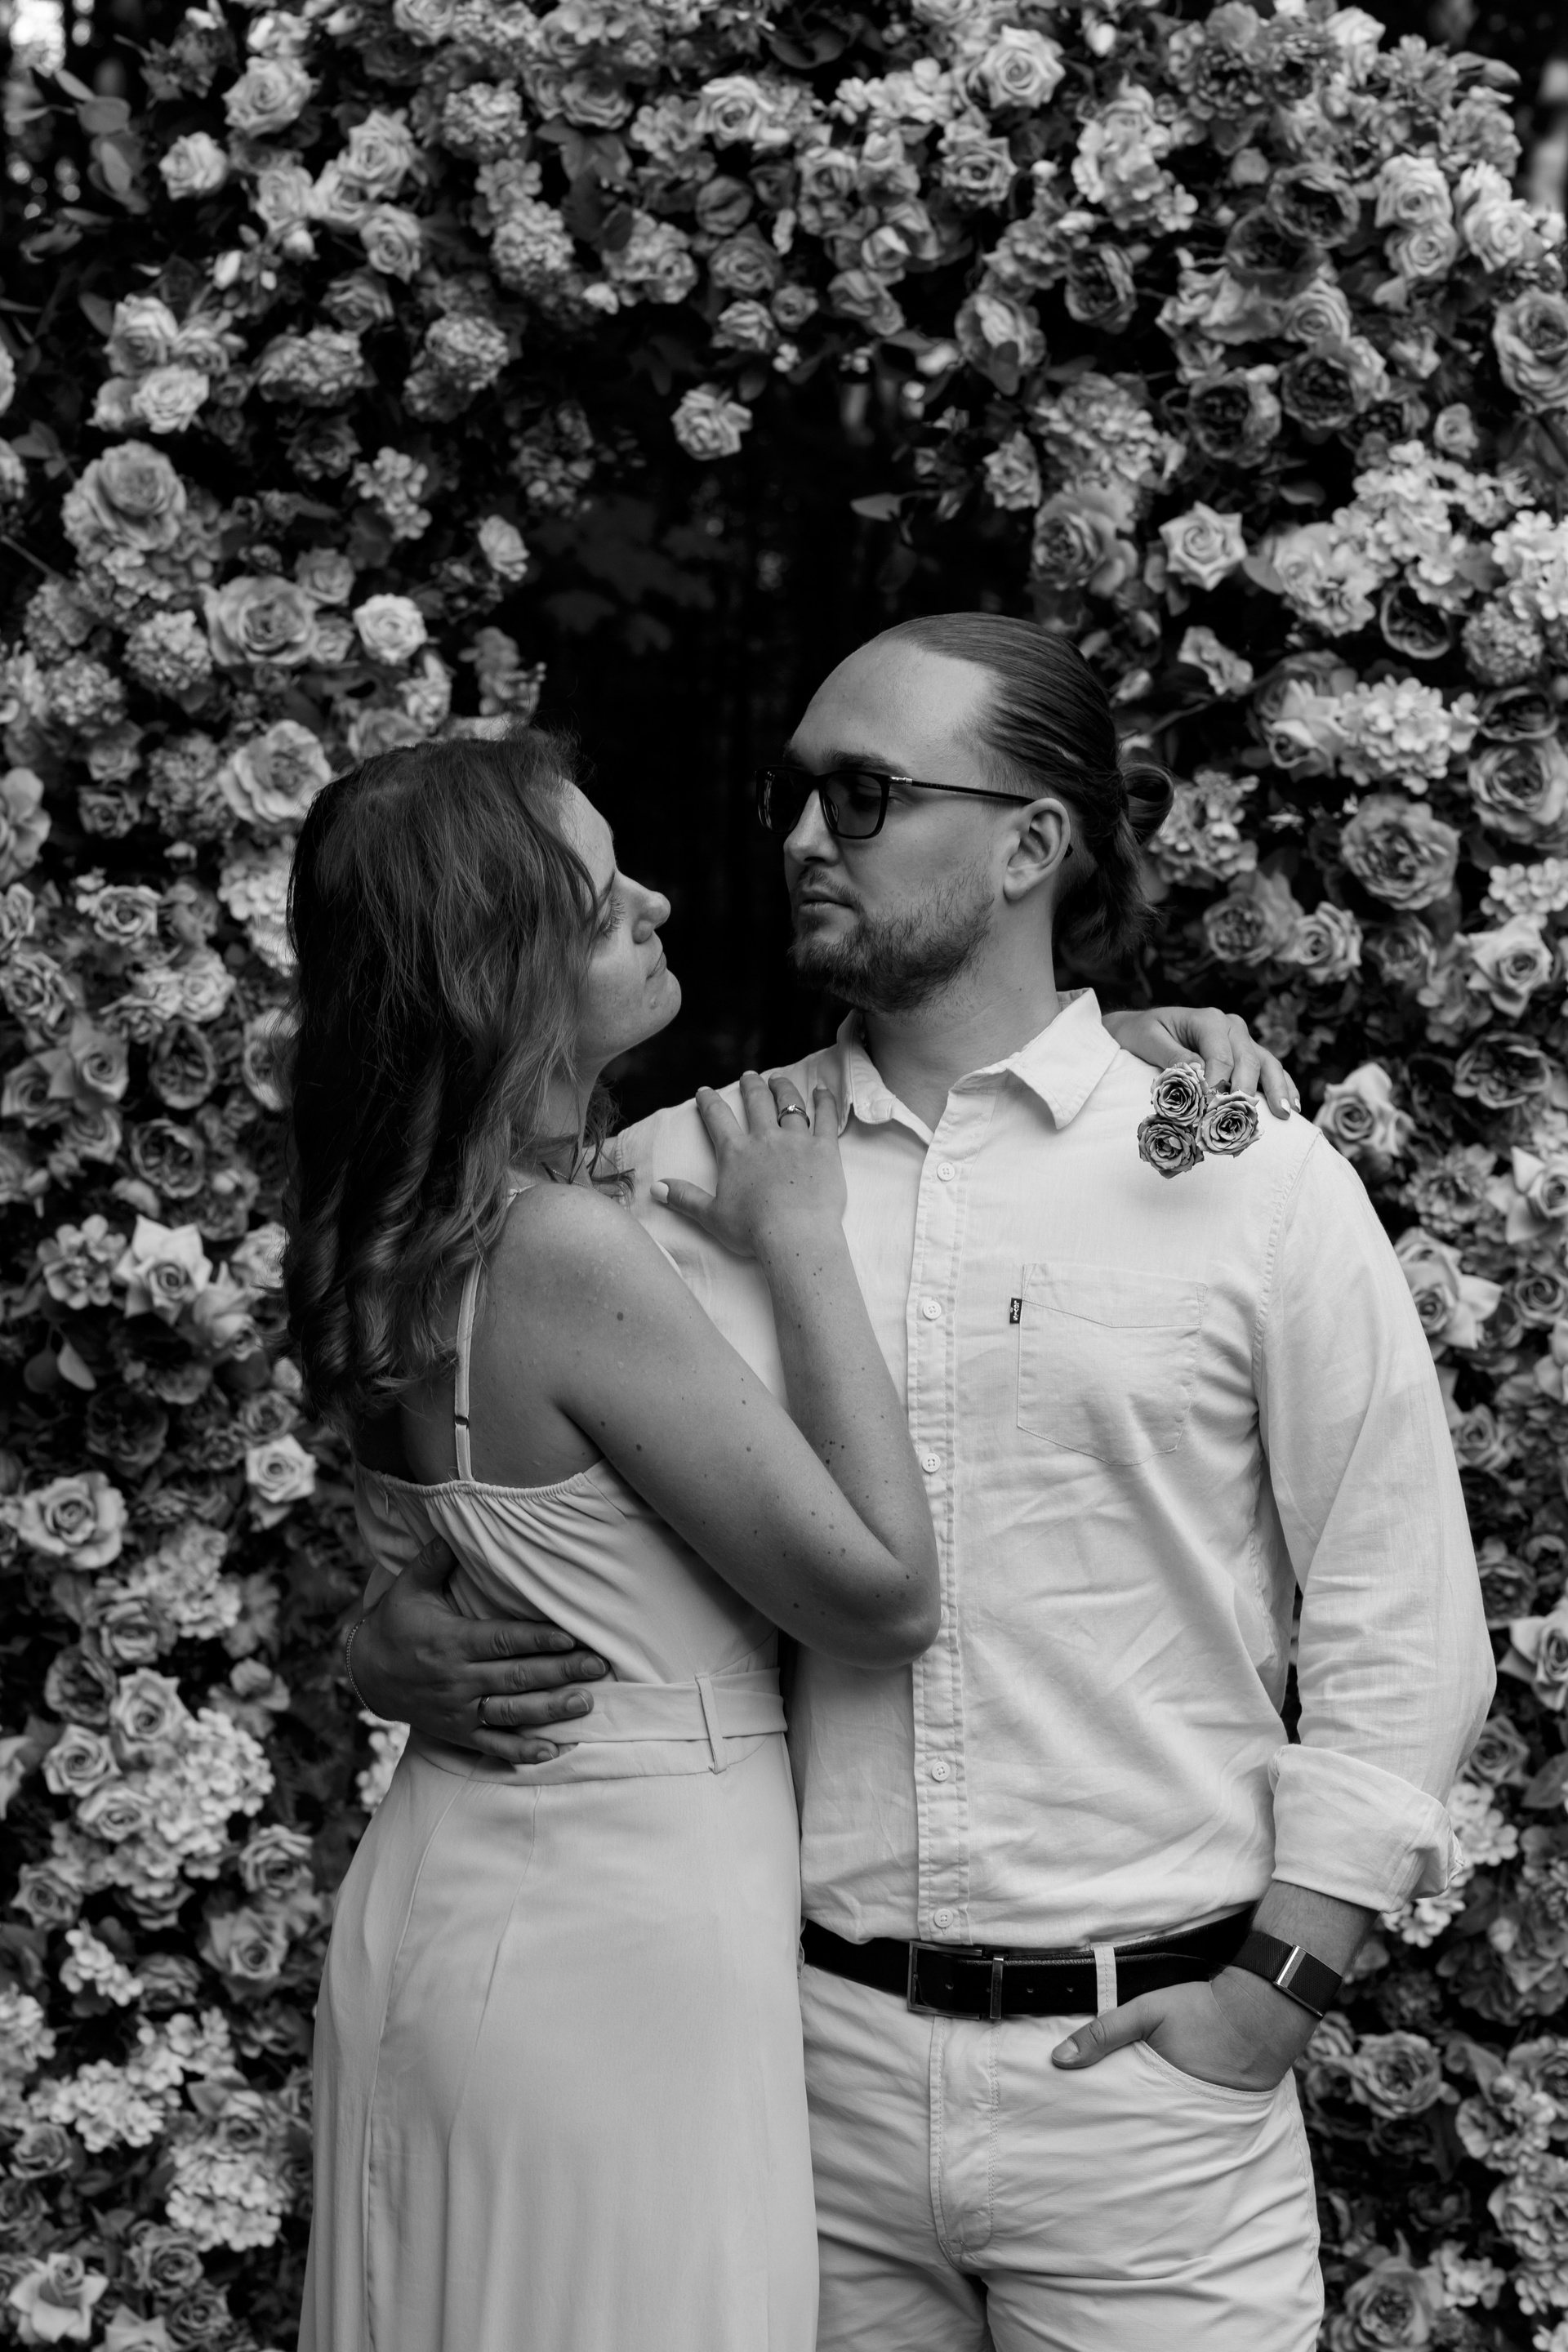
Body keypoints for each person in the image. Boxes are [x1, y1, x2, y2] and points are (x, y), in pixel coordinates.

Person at [349, 615, 1494, 2350]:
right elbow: (483, 1474)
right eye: (796, 794)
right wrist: (388, 1643)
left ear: (1033, 844)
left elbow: (1403, 1618)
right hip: (789, 2083)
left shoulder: (1244, 1173)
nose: (807, 838)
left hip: (1144, 2092)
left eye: (868, 794)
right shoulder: (672, 1184)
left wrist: (1273, 1992)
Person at [289, 729, 949, 2352]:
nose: (656, 901)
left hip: (467, 1885)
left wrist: (1125, 1040)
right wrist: (803, 1240)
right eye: (600, 904)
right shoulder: (564, 1250)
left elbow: (468, 1558)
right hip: (611, 1941)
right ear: (495, 975)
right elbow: (880, 1597)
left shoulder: (397, 1235)